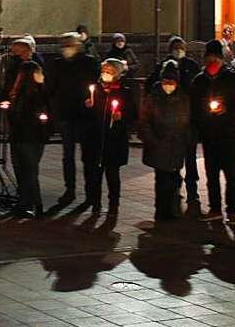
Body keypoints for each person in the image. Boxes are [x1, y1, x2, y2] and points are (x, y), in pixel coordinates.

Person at [190, 40, 235, 222]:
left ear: (221, 59)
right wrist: (203, 117)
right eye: (209, 58)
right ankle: (215, 208)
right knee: (211, 174)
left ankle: (231, 209)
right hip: (210, 135)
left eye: (215, 58)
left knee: (232, 175)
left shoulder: (232, 78)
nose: (212, 61)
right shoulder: (199, 81)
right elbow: (194, 106)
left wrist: (227, 109)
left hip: (229, 134)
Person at [146, 35, 202, 205]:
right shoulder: (162, 68)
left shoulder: (191, 66)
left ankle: (192, 190)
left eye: (181, 47)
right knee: (171, 159)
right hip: (168, 122)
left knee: (190, 160)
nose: (179, 51)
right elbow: (152, 89)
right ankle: (174, 188)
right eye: (175, 47)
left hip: (187, 121)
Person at [47, 32, 100, 206]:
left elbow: (96, 85)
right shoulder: (58, 64)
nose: (66, 49)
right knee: (67, 154)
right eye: (63, 45)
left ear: (78, 45)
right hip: (66, 114)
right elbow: (52, 88)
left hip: (85, 115)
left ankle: (90, 192)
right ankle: (69, 189)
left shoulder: (89, 62)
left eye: (69, 45)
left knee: (88, 156)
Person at [139, 61, 191, 222]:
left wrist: (184, 137)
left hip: (175, 144)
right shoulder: (153, 97)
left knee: (174, 178)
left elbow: (187, 120)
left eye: (172, 82)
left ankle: (172, 208)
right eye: (165, 82)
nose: (168, 85)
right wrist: (153, 139)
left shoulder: (182, 98)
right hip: (159, 144)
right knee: (161, 179)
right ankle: (161, 210)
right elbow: (144, 121)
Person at [84, 58, 135, 214]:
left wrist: (122, 115)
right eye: (104, 70)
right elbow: (89, 117)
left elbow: (133, 114)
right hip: (95, 139)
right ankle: (96, 203)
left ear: (117, 73)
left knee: (112, 175)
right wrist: (88, 107)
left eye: (110, 71)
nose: (105, 74)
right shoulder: (96, 91)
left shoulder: (124, 92)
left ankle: (114, 204)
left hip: (114, 140)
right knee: (94, 175)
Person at [6, 60, 52, 218]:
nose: (42, 75)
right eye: (39, 72)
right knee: (25, 171)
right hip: (26, 136)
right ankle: (26, 203)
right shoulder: (25, 94)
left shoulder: (38, 93)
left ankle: (33, 204)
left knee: (28, 171)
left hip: (28, 137)